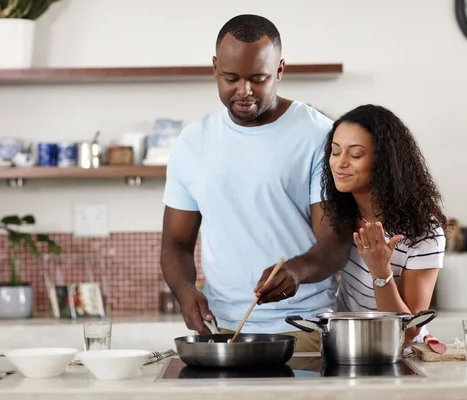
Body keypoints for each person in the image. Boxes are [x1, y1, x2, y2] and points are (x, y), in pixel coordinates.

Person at [160, 14, 351, 352]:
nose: (244, 91)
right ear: (215, 68)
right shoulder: (192, 142)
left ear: (279, 70)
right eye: (231, 78)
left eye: (258, 78)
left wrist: (297, 270)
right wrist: (184, 290)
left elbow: (336, 240)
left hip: (302, 331)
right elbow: (176, 243)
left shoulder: (319, 136)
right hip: (221, 334)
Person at [258, 104, 447, 347]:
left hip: (399, 358)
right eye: (335, 152)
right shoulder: (339, 215)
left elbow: (406, 334)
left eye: (355, 155)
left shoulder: (422, 233)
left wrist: (380, 271)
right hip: (349, 349)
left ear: (385, 163)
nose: (339, 164)